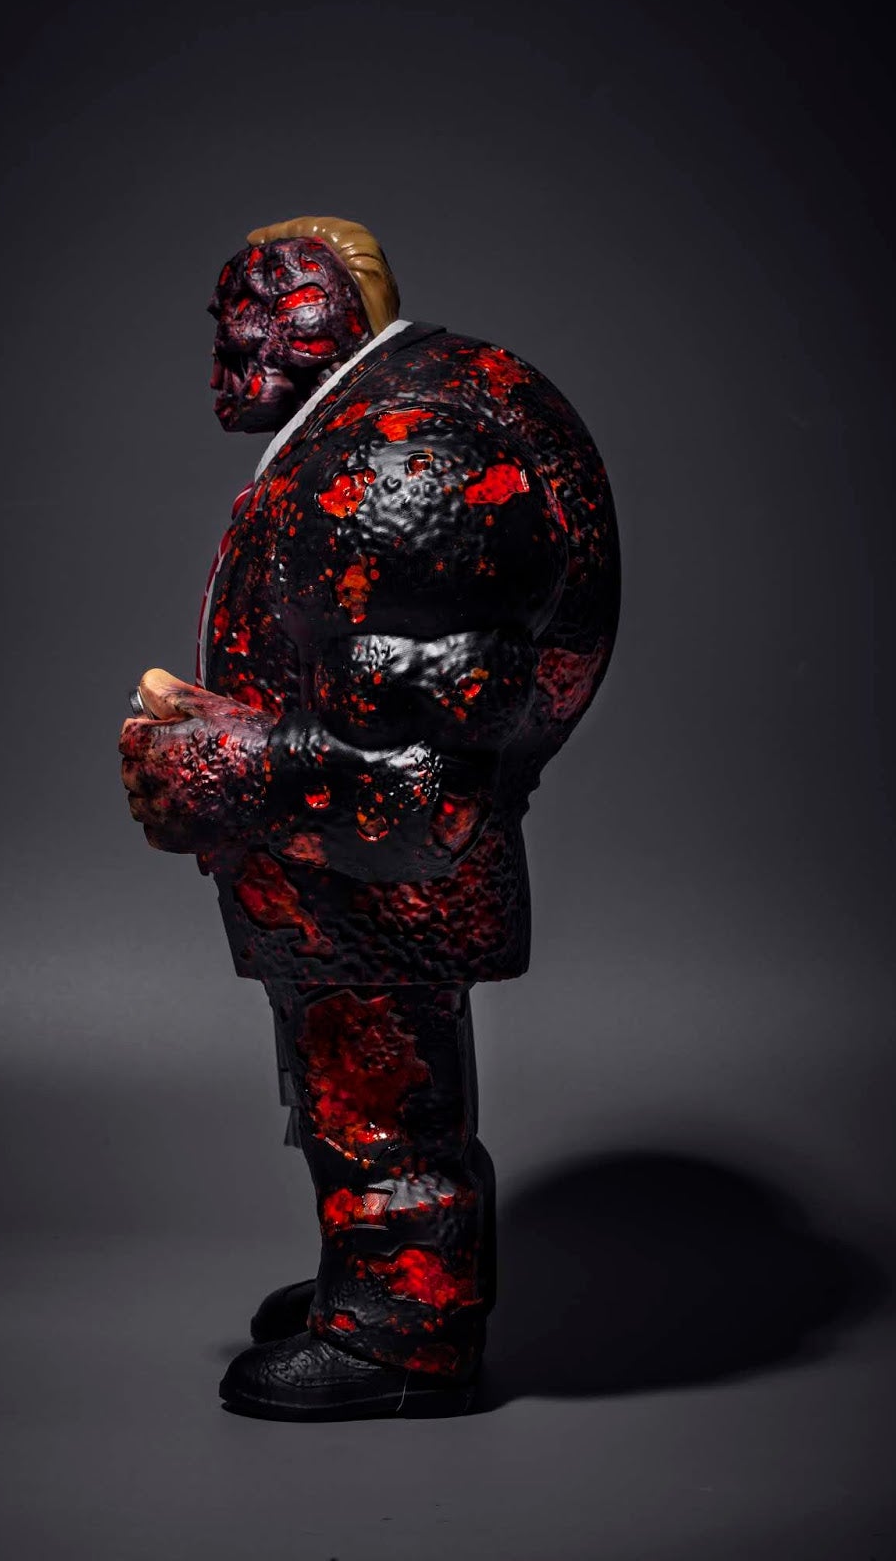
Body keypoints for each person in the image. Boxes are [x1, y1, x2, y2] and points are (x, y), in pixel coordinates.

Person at [120, 216, 619, 1420]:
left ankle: (404, 1331)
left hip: (371, 860)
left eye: (271, 305)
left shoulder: (401, 461)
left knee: (375, 1061)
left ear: (343, 309)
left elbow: (414, 786)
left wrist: (222, 768)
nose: (236, 339)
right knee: (360, 1052)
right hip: (338, 848)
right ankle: (388, 1279)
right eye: (230, 307)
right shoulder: (382, 419)